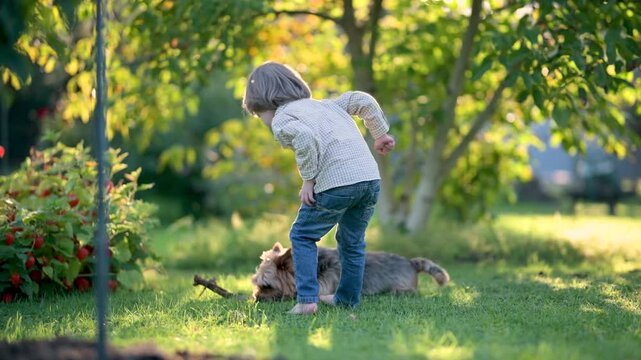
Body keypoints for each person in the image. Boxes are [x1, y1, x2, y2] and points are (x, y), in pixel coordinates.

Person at [243, 61, 395, 314]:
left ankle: (306, 300)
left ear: (267, 103)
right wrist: (379, 134)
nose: (264, 122)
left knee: (302, 235)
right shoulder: (327, 105)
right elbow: (362, 100)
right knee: (352, 242)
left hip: (338, 183)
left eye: (260, 116)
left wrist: (309, 180)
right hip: (369, 179)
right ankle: (346, 300)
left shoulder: (281, 119)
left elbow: (304, 139)